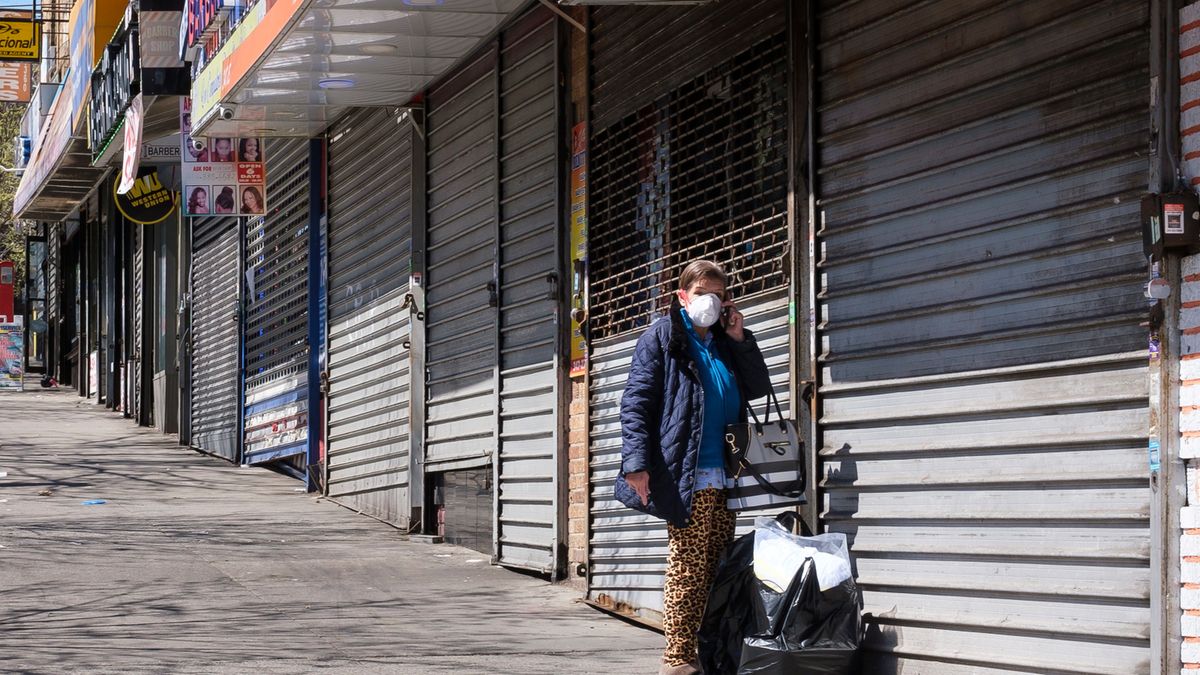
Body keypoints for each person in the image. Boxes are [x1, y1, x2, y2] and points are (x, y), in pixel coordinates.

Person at [614, 260, 771, 675]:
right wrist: (636, 463)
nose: (710, 302)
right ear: (682, 295)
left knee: (717, 567)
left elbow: (758, 387)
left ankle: (705, 652)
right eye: (702, 293)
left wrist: (739, 338)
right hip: (687, 471)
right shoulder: (663, 336)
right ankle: (677, 660)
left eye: (718, 295)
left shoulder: (724, 340)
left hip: (726, 473)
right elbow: (636, 401)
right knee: (688, 565)